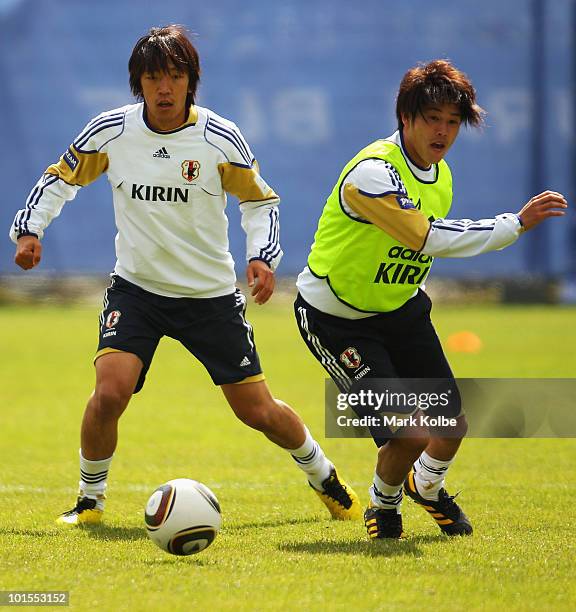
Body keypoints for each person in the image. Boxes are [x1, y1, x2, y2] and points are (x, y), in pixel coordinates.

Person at [10, 25, 362, 526]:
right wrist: (30, 231)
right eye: (153, 77)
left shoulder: (218, 137)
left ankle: (324, 475)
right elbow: (58, 177)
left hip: (209, 297)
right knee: (110, 392)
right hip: (136, 291)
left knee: (257, 411)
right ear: (139, 83)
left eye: (175, 76)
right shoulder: (111, 131)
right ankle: (89, 501)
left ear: (191, 80)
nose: (164, 88)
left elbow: (260, 200)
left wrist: (261, 256)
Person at [294, 60, 568, 539]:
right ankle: (383, 506)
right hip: (335, 318)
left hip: (400, 309)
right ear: (406, 117)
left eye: (452, 121)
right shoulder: (371, 175)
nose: (443, 131)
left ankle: (427, 486)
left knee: (451, 427)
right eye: (432, 118)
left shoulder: (440, 175)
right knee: (410, 432)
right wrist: (514, 224)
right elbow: (425, 237)